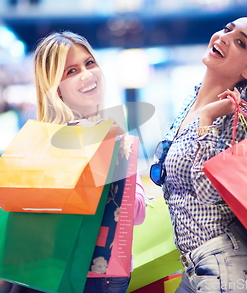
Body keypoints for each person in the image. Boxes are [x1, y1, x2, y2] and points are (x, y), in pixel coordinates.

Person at [10, 31, 146, 293]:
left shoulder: (38, 142)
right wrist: (131, 167)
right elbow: (133, 212)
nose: (86, 74)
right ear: (55, 89)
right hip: (96, 275)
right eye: (71, 71)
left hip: (43, 271)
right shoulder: (107, 136)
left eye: (89, 63)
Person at [151, 17, 247, 293]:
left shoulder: (238, 116)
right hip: (194, 265)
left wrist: (208, 118)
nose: (224, 37)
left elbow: (209, 192)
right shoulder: (192, 98)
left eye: (240, 43)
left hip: (226, 268)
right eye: (227, 29)